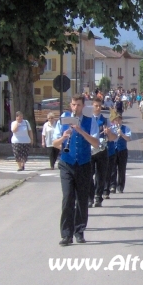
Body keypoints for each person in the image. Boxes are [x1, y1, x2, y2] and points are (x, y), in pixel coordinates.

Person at [52, 94, 102, 246]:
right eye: (73, 105)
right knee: (68, 198)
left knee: (81, 199)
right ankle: (66, 234)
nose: (75, 108)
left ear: (83, 106)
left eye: (78, 105)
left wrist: (81, 131)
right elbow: (54, 143)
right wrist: (63, 137)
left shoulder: (90, 120)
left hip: (84, 164)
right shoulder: (64, 119)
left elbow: (96, 143)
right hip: (66, 163)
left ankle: (79, 231)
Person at [87, 100, 116, 207]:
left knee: (101, 176)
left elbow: (113, 138)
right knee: (89, 175)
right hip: (90, 151)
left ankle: (98, 197)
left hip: (102, 150)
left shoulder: (105, 120)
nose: (98, 108)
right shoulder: (88, 120)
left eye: (99, 106)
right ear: (92, 106)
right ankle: (90, 197)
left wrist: (109, 133)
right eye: (96, 106)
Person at [108, 112, 131, 194]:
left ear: (121, 120)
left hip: (122, 150)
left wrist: (122, 134)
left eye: (119, 120)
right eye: (116, 120)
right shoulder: (111, 128)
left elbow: (128, 138)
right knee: (112, 169)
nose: (117, 121)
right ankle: (112, 186)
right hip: (113, 149)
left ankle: (120, 186)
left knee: (122, 169)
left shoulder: (125, 128)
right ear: (113, 121)